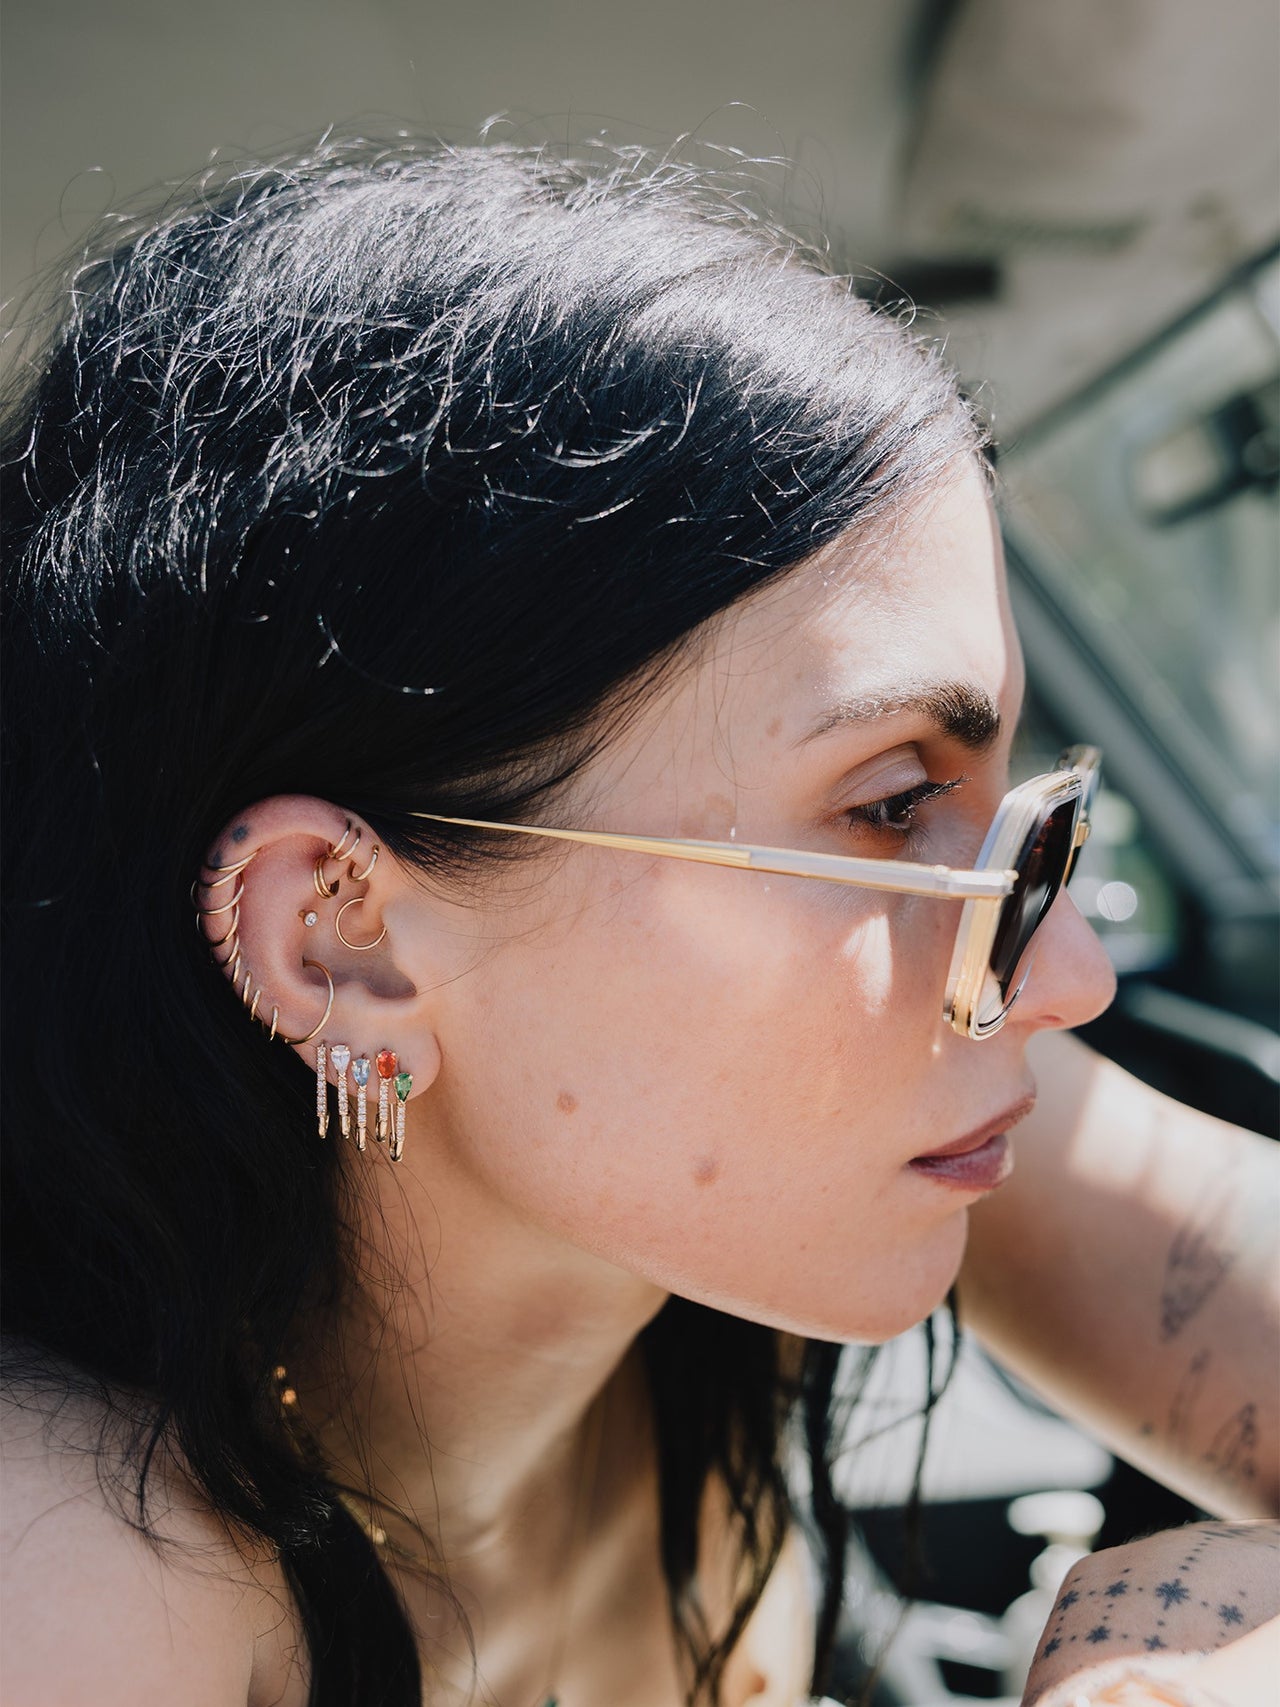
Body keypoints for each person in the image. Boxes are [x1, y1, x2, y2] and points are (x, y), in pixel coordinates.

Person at [1, 138, 1275, 1707]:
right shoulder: (66, 1576)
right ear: (341, 938)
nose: (1065, 976)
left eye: (1030, 820)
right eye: (892, 808)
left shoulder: (833, 1143)